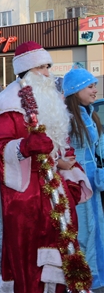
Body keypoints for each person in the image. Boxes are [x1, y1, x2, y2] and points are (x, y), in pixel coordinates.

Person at [0, 41, 93, 292]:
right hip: (24, 195)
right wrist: (25, 146)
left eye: (48, 67)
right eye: (43, 67)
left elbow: (61, 141)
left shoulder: (50, 99)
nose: (48, 73)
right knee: (30, 259)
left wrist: (65, 165)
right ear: (28, 70)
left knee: (62, 250)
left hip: (55, 191)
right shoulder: (5, 104)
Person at [63, 67, 104, 290]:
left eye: (95, 85)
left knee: (95, 229)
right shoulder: (67, 119)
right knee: (80, 232)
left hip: (93, 182)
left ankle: (93, 275)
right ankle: (78, 280)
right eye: (90, 86)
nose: (95, 90)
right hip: (75, 183)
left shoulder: (90, 114)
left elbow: (98, 148)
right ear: (75, 90)